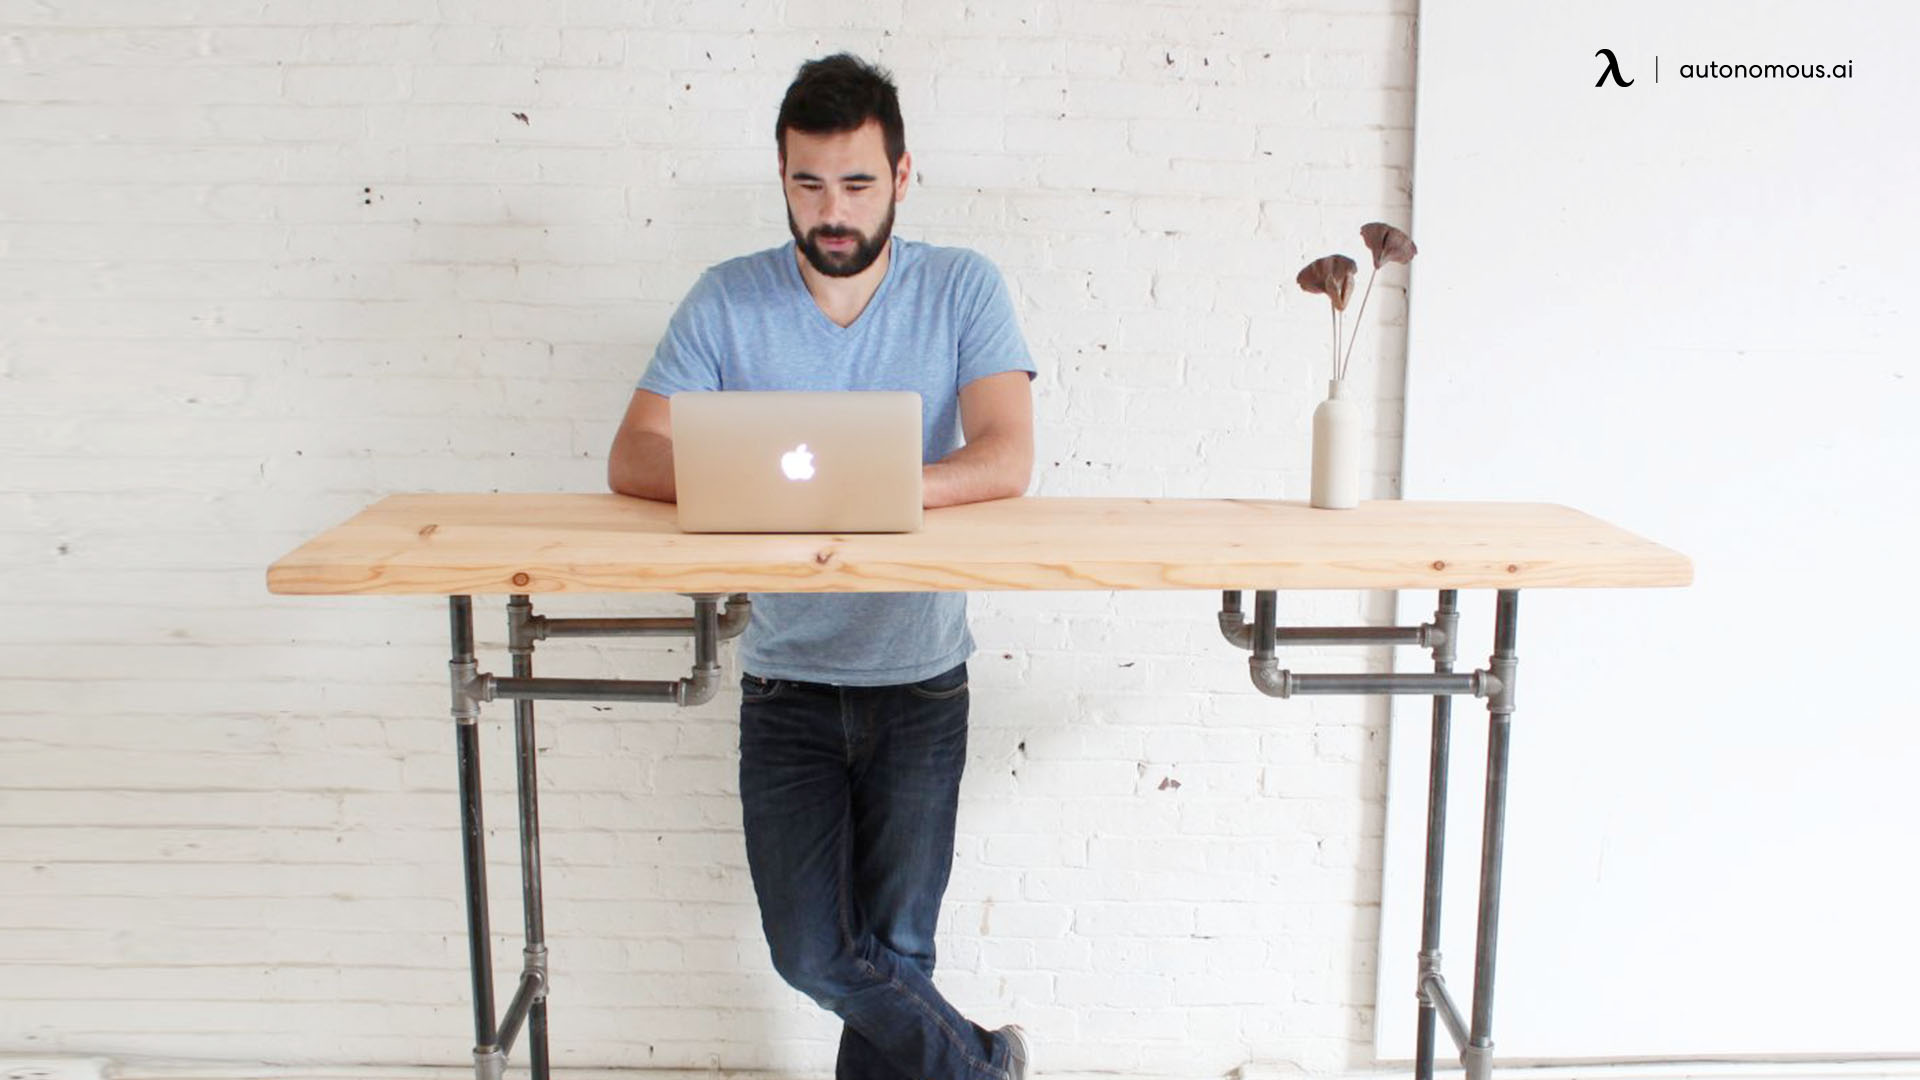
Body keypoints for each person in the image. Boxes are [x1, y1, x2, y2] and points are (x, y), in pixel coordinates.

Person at [606, 53, 1036, 1080]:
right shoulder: (729, 300)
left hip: (921, 681)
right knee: (811, 951)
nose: (831, 211)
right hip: (789, 684)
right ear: (782, 181)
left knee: (897, 956)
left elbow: (1005, 454)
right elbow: (633, 456)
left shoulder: (960, 286)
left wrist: (871, 487)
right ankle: (984, 1066)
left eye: (855, 183)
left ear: (901, 175)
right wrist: (771, 492)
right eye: (808, 184)